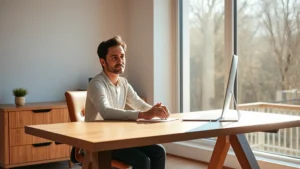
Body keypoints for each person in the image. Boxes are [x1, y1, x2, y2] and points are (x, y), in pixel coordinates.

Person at [85, 36, 170, 169]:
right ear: (102, 61)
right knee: (143, 161)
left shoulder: (124, 83)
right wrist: (143, 115)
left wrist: (156, 111)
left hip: (118, 139)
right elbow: (106, 112)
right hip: (100, 142)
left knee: (159, 152)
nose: (120, 61)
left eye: (122, 56)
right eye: (114, 57)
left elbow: (140, 105)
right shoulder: (96, 84)